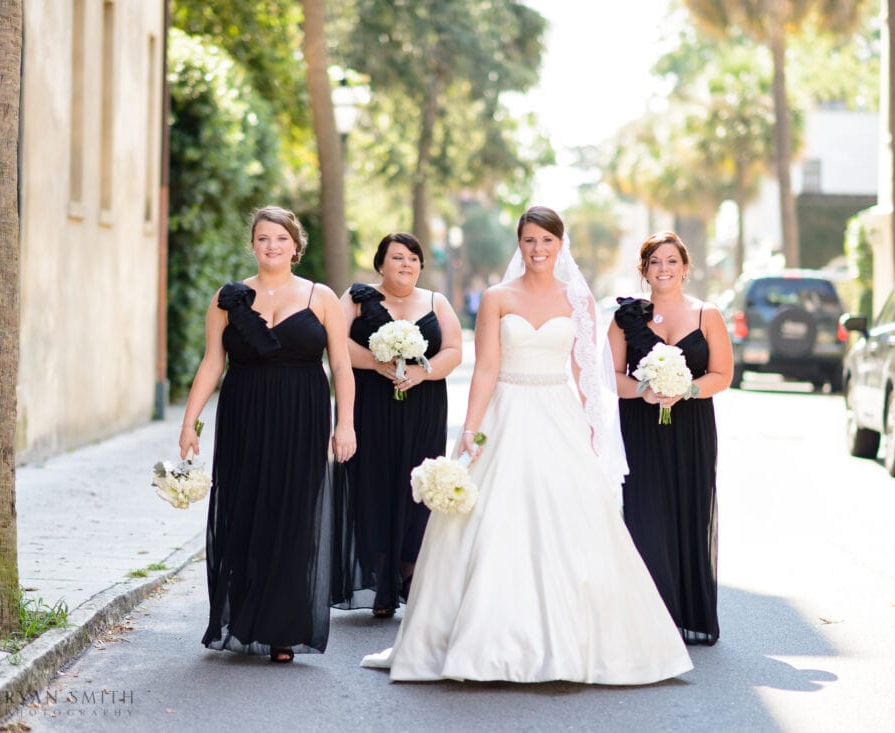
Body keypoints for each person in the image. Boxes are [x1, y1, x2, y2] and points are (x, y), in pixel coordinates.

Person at [363, 206, 693, 684]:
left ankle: (580, 640)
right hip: (506, 410)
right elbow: (487, 369)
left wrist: (593, 428)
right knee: (488, 519)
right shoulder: (498, 297)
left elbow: (584, 372)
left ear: (561, 245)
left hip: (557, 413)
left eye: (547, 240)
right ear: (519, 245)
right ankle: (474, 638)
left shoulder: (577, 300)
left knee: (571, 517)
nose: (539, 249)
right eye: (530, 240)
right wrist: (470, 432)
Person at [179, 205, 356, 664]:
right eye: (263, 238)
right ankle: (244, 619)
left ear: (296, 246)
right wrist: (190, 423)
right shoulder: (228, 297)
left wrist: (346, 423)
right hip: (243, 415)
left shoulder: (321, 297)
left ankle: (283, 629)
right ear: (253, 245)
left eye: (280, 238)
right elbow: (212, 363)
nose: (272, 245)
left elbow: (340, 364)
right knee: (245, 509)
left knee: (293, 511)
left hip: (302, 416)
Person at [607, 231, 733, 645]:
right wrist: (644, 391)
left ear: (685, 267)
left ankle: (686, 612)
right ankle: (646, 617)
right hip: (639, 429)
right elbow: (610, 379)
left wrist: (687, 389)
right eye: (655, 262)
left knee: (688, 513)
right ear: (644, 270)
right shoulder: (626, 316)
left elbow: (722, 375)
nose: (664, 269)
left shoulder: (707, 314)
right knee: (644, 515)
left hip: (692, 427)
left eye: (671, 261)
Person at [330, 233, 463, 618]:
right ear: (381, 263)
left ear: (420, 265)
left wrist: (424, 374)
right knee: (372, 485)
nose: (406, 265)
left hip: (423, 409)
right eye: (397, 258)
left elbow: (454, 350)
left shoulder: (436, 302)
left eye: (413, 259)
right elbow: (334, 344)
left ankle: (411, 574)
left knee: (417, 488)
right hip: (370, 407)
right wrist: (375, 362)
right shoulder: (355, 299)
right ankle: (380, 578)